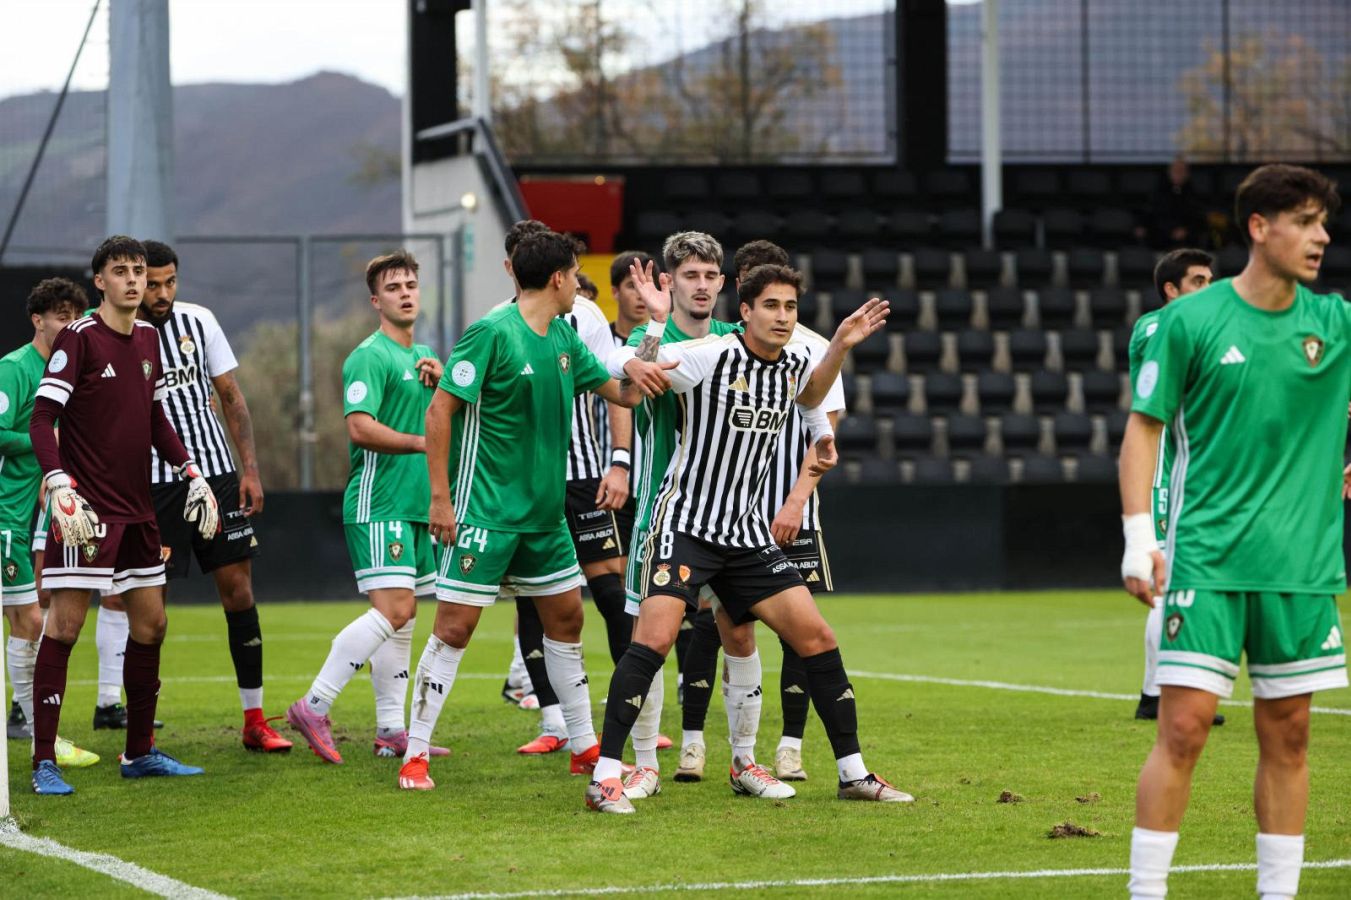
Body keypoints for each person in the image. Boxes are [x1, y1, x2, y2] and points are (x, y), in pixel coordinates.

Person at [585, 261, 909, 814]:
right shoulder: (712, 355)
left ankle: (852, 774)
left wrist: (828, 412)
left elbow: (809, 398)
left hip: (746, 532)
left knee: (817, 638)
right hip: (684, 522)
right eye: (771, 306)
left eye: (789, 307)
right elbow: (624, 363)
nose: (782, 317)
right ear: (745, 311)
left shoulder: (800, 358)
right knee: (655, 640)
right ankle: (607, 776)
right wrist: (652, 335)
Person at [1120, 164, 1346, 899]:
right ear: (1259, 227)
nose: (1320, 236)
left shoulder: (1334, 323)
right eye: (1305, 221)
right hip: (1206, 561)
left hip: (1301, 570)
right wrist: (1135, 536)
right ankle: (1144, 892)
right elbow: (1141, 431)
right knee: (1181, 731)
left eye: (1322, 222)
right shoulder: (1187, 322)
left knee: (1289, 737)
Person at [396, 230, 662, 791]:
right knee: (454, 629)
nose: (579, 288)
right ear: (560, 278)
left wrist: (654, 330)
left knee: (568, 621)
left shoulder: (565, 336)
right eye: (575, 275)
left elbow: (628, 394)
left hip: (546, 520)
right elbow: (440, 413)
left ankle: (583, 744)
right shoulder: (490, 333)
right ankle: (414, 754)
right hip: (485, 516)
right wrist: (440, 499)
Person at [28, 235, 218, 795]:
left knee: (153, 624)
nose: (135, 279)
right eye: (122, 271)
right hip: (85, 510)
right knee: (64, 625)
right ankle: (44, 760)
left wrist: (192, 471)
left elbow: (157, 420)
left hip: (139, 510)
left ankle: (138, 753)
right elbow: (42, 420)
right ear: (100, 282)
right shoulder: (78, 339)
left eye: (139, 270)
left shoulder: (148, 340)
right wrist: (58, 480)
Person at [673, 239, 846, 785]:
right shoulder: (721, 348)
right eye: (759, 294)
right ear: (743, 299)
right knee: (710, 627)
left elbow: (824, 423)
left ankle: (790, 745)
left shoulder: (813, 350)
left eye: (786, 302)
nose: (778, 311)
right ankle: (697, 742)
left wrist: (797, 500)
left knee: (802, 632)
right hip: (717, 518)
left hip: (790, 512)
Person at [287, 251, 450, 764]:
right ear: (376, 300)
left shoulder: (423, 355)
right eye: (394, 286)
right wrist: (424, 442)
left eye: (412, 284)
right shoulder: (369, 355)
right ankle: (314, 704)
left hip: (416, 506)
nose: (406, 292)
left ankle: (390, 731)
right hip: (379, 504)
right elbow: (359, 427)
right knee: (395, 610)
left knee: (404, 619)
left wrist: (443, 385)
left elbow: (449, 419)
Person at [607, 233, 752, 802]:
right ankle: (644, 765)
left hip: (733, 519)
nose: (700, 284)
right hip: (664, 515)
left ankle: (746, 763)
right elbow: (627, 393)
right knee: (652, 639)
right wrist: (652, 327)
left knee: (738, 634)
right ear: (668, 283)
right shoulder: (653, 338)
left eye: (710, 275)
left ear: (722, 283)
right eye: (688, 275)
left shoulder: (735, 340)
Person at [132, 240, 290, 752]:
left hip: (216, 475)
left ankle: (255, 720)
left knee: (239, 591)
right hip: (150, 482)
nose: (161, 293)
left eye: (169, 281)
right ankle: (139, 732)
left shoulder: (199, 321)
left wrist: (250, 469)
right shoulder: (113, 331)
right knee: (151, 610)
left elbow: (231, 396)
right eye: (152, 283)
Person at [1, 277, 98, 768]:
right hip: (6, 512)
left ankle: (35, 726)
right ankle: (41, 732)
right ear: (38, 320)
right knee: (31, 620)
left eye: (74, 316)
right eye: (60, 315)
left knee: (30, 618)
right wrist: (48, 440)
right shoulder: (15, 368)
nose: (68, 325)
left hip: (34, 511)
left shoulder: (75, 369)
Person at [1127, 248, 1222, 727]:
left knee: (1193, 580)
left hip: (1199, 460)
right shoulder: (1154, 327)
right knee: (1167, 581)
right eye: (1199, 281)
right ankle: (1155, 695)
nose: (1209, 289)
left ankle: (1168, 692)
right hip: (1164, 465)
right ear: (1172, 289)